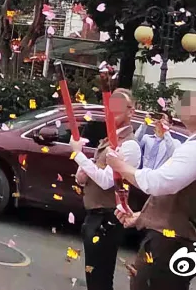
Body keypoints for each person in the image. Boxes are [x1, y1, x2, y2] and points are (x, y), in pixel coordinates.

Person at [105, 91, 196, 290]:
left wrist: (120, 166)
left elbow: (157, 183)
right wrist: (143, 216)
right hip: (169, 241)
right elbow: (171, 192)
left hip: (169, 244)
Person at [70, 89, 142, 290]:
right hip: (95, 215)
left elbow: (106, 181)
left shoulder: (130, 145)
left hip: (108, 217)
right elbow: (92, 173)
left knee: (100, 280)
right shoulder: (109, 139)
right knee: (94, 278)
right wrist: (82, 174)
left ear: (131, 111)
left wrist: (78, 154)